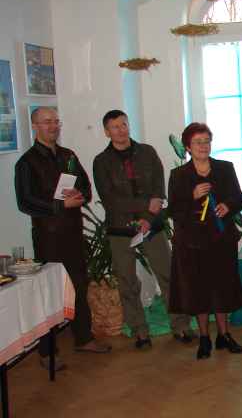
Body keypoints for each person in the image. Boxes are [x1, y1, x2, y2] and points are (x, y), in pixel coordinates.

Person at [15, 107, 111, 369]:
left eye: (56, 121)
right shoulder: (26, 162)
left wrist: (79, 196)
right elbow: (25, 202)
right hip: (48, 237)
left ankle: (83, 338)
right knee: (50, 293)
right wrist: (60, 205)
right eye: (47, 122)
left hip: (73, 233)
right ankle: (47, 352)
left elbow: (86, 188)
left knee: (79, 286)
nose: (53, 126)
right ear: (35, 126)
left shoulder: (68, 155)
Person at [93, 110, 192, 349]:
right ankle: (139, 330)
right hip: (120, 229)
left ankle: (180, 325)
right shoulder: (101, 161)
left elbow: (158, 189)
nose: (121, 130)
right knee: (127, 281)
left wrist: (147, 218)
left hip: (152, 226)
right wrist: (145, 206)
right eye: (115, 127)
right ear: (107, 132)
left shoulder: (147, 152)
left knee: (168, 275)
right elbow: (110, 200)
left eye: (124, 124)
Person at [167, 123, 242, 360]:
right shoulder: (179, 175)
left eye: (206, 141)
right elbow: (174, 210)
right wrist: (192, 196)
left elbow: (239, 199)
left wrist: (228, 206)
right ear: (188, 147)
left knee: (223, 289)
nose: (203, 146)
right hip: (192, 243)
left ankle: (224, 335)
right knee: (198, 291)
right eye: (197, 142)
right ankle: (204, 338)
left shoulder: (225, 168)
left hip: (222, 240)